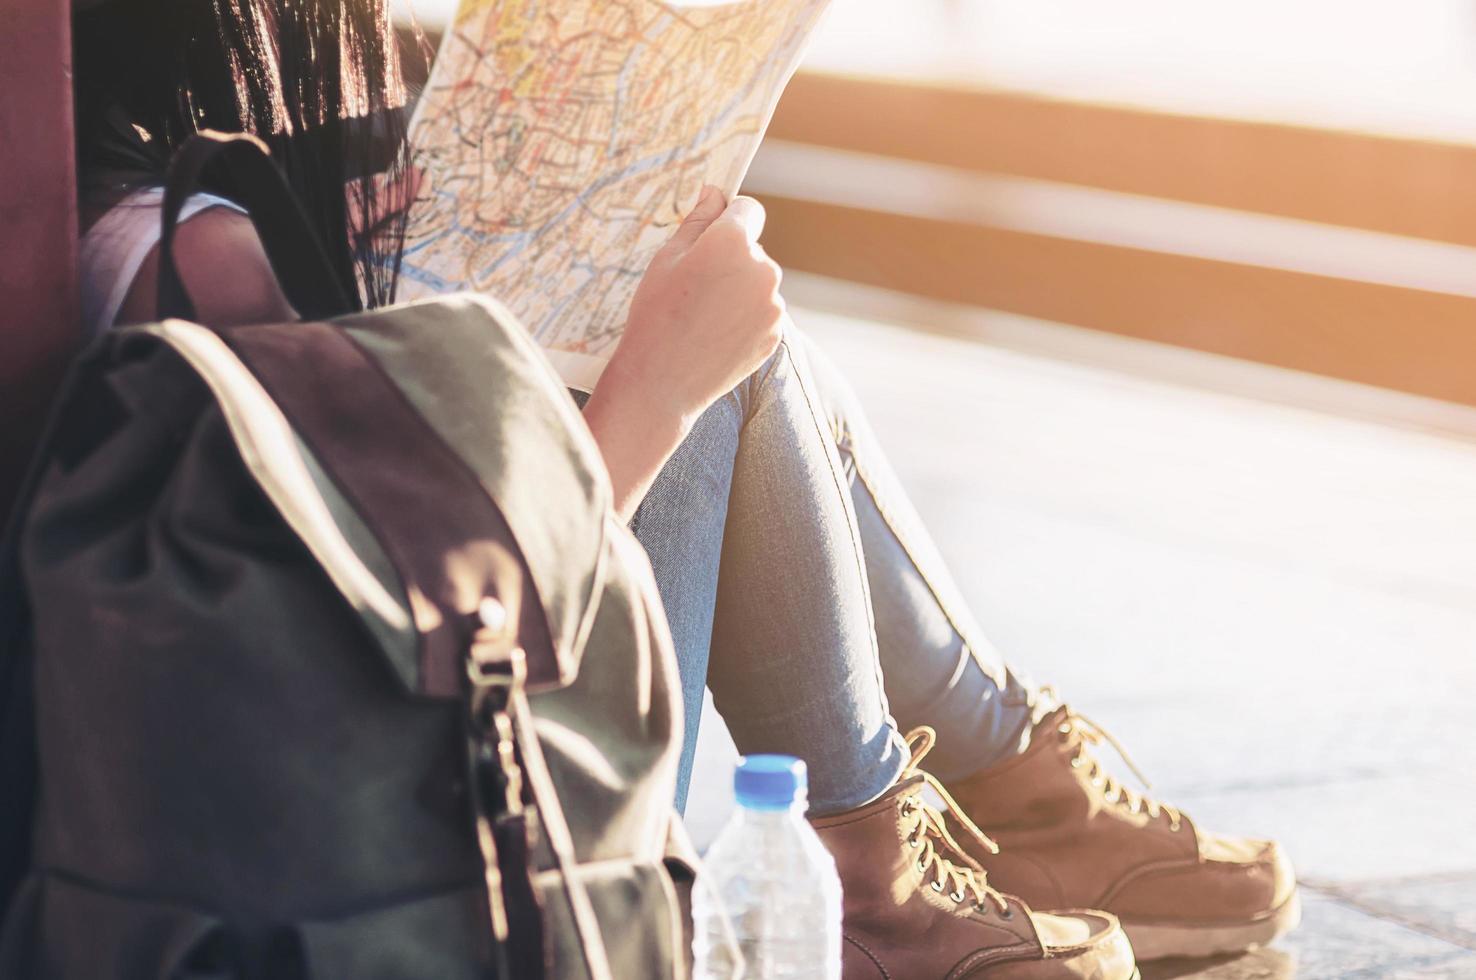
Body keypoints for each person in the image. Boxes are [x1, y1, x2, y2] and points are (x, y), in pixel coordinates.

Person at [67, 0, 1297, 974]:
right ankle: (897, 863)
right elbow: (394, 654)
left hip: (375, 791)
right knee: (714, 364)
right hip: (448, 838)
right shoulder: (196, 260)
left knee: (708, 319)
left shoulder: (133, 206)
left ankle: (954, 819)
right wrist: (650, 390)